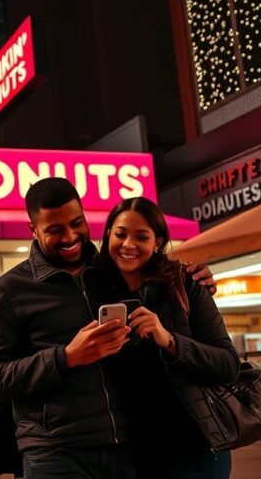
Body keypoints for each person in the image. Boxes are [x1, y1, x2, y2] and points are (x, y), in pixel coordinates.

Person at [0, 177, 215, 479]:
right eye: (55, 229)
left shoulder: (113, 271)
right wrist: (66, 357)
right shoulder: (9, 290)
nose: (71, 236)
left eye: (77, 223)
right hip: (55, 451)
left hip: (128, 446)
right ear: (33, 230)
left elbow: (159, 274)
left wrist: (193, 280)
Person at [101, 196, 238, 479]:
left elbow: (228, 363)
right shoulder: (93, 289)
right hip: (127, 450)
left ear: (158, 241)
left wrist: (170, 340)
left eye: (141, 236)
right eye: (120, 234)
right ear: (107, 235)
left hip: (193, 445)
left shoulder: (184, 283)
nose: (128, 244)